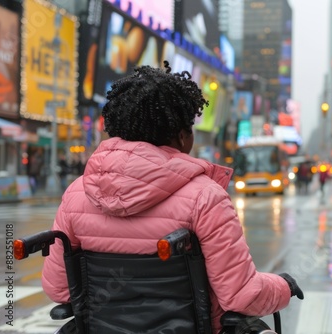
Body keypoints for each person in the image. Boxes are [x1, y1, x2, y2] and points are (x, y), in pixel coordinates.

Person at [41, 61, 303, 333]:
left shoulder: (76, 194)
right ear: (181, 136)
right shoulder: (206, 198)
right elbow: (242, 295)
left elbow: (60, 290)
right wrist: (284, 286)